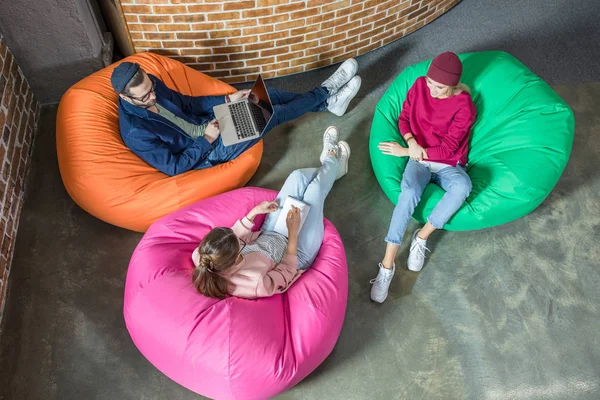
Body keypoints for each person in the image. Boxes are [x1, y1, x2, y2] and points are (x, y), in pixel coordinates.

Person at [110, 58, 361, 176]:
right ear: (125, 97)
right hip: (209, 150)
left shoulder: (149, 83)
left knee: (266, 94)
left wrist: (227, 99)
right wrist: (207, 139)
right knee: (273, 112)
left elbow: (187, 103)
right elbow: (174, 167)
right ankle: (325, 92)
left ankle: (326, 103)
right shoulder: (135, 131)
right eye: (144, 97)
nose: (152, 96)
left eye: (151, 89)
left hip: (209, 121)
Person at [191, 126, 350, 299]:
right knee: (315, 190)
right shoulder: (255, 284)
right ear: (235, 258)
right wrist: (293, 232)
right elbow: (287, 271)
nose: (239, 237)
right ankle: (332, 160)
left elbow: (232, 237)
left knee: (297, 177)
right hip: (297, 253)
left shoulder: (203, 256)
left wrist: (254, 212)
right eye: (239, 244)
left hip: (269, 233)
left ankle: (333, 169)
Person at [370, 52, 477, 303]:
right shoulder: (419, 85)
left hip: (447, 162)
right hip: (419, 159)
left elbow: (449, 149)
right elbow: (404, 117)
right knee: (408, 193)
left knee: (463, 186)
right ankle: (387, 265)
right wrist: (410, 142)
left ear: (452, 86)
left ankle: (422, 237)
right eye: (430, 82)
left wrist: (405, 151)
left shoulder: (464, 106)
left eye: (439, 87)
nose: (432, 90)